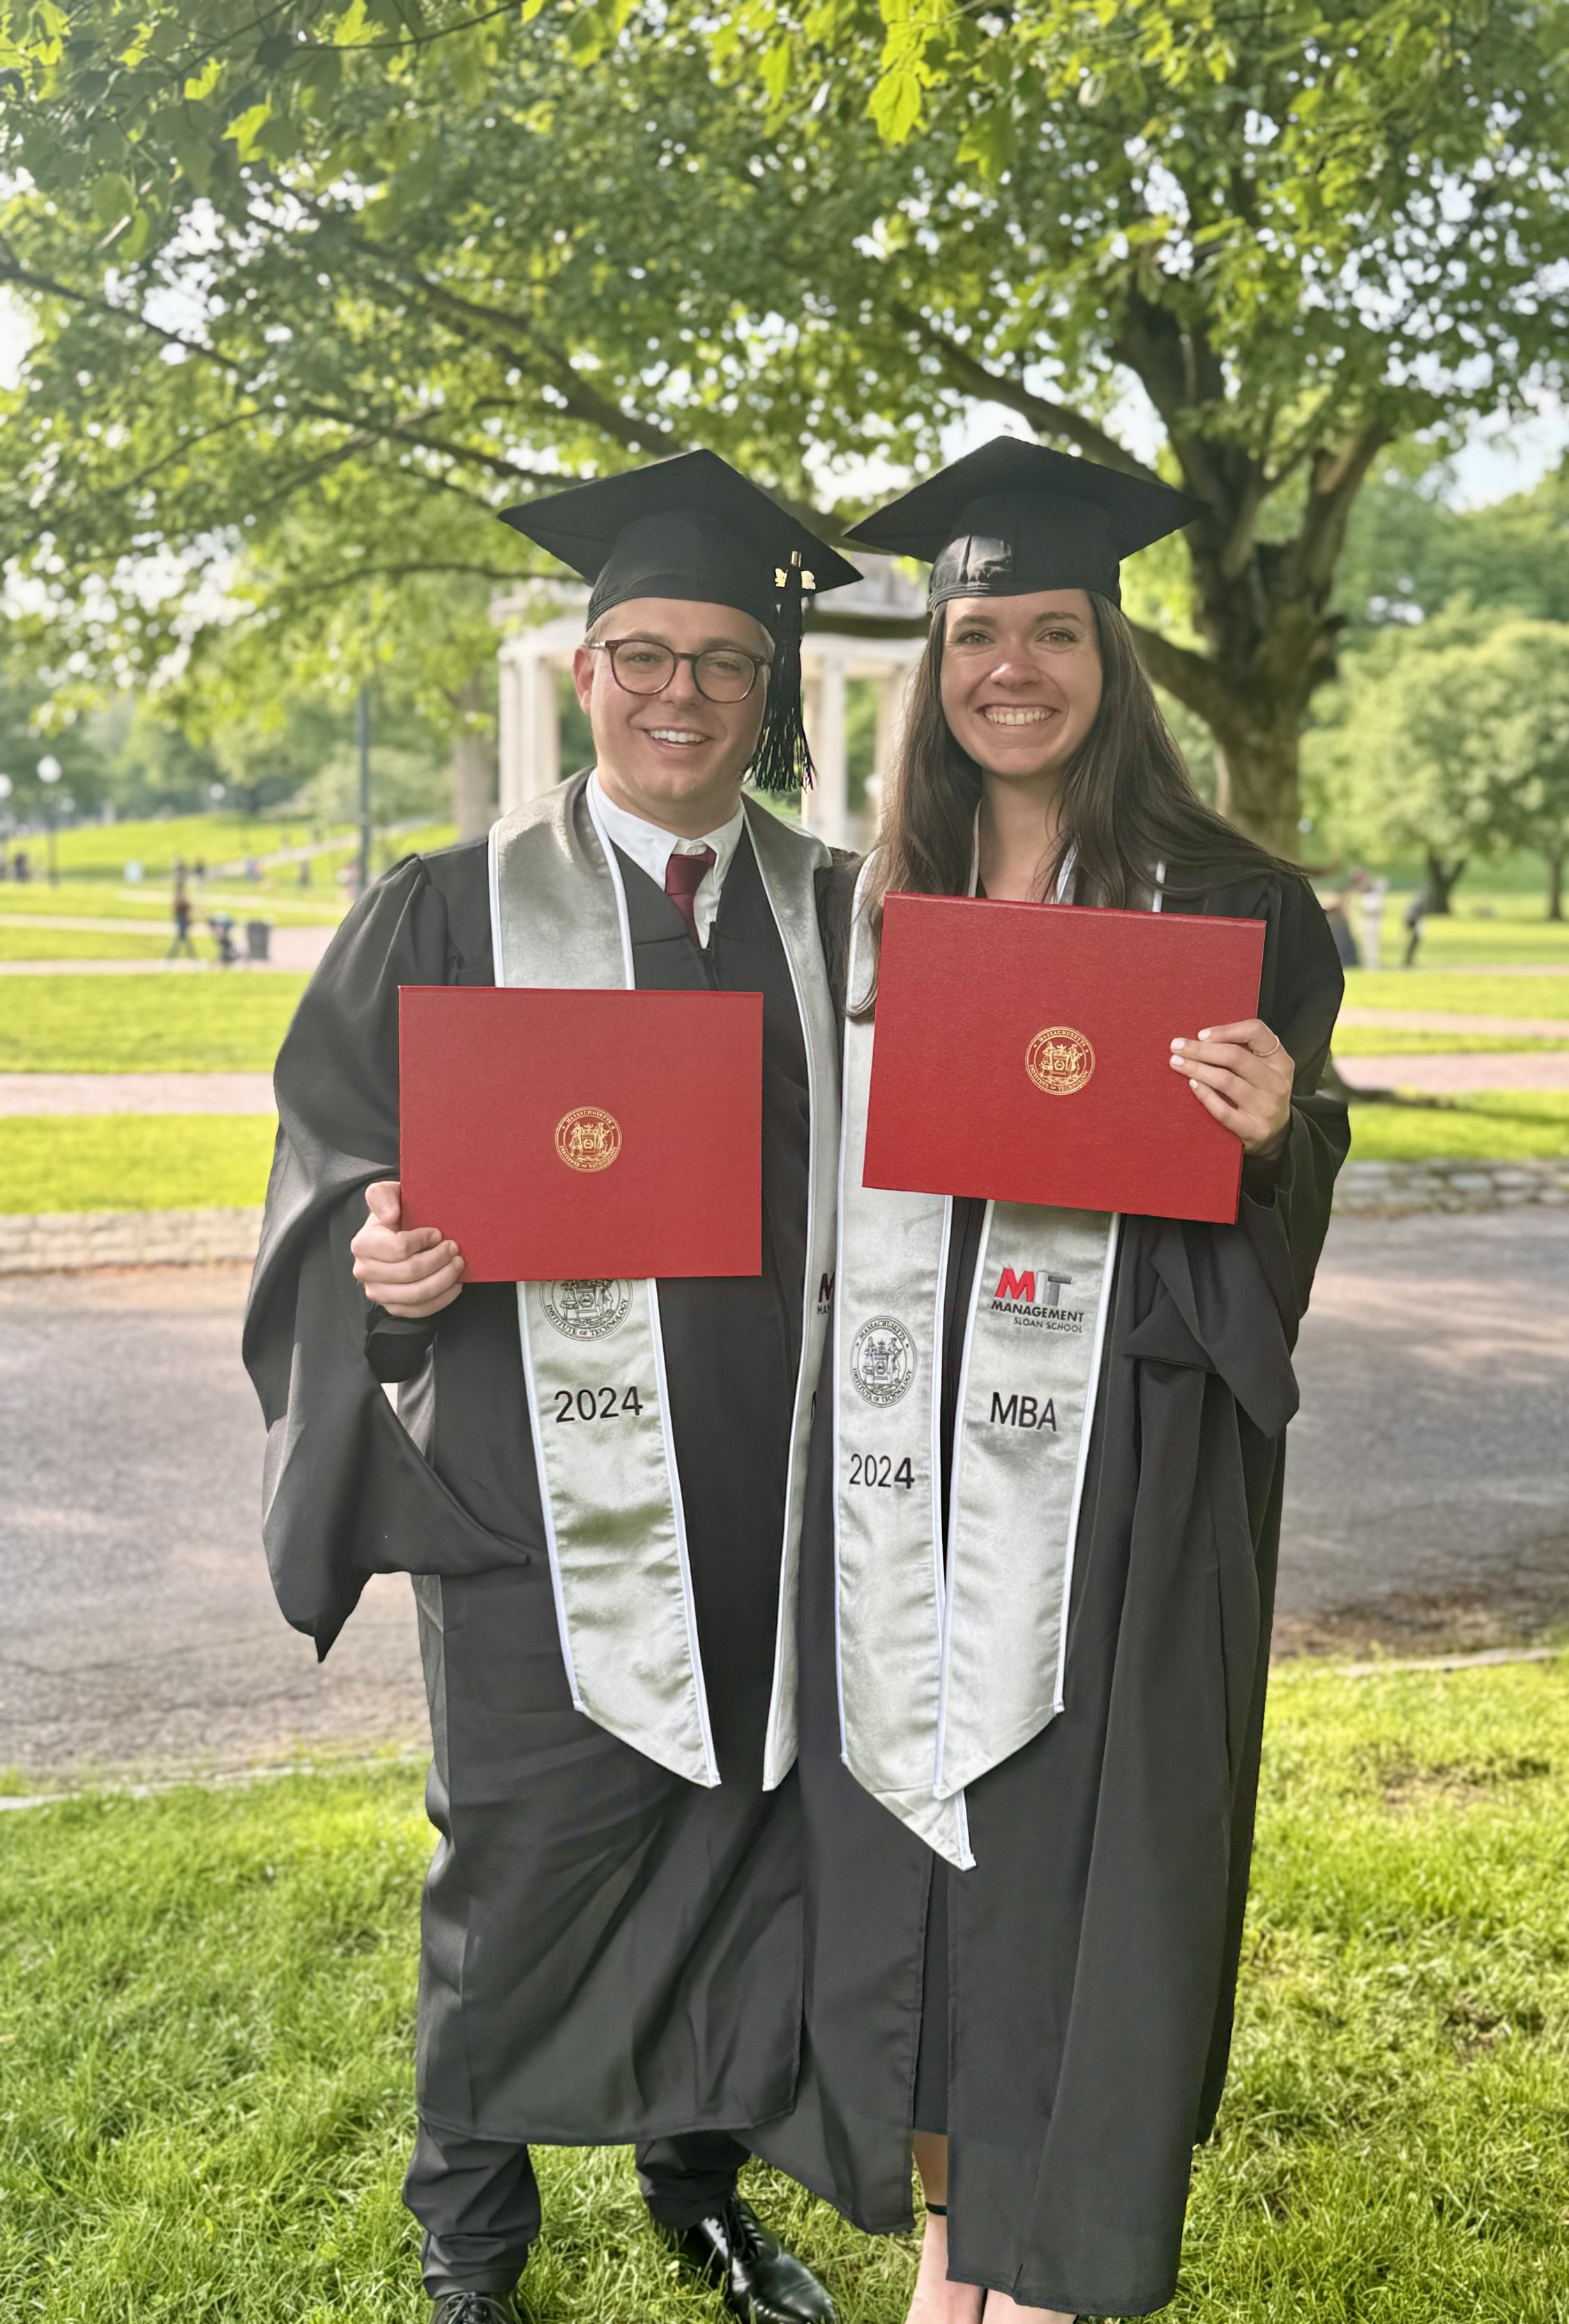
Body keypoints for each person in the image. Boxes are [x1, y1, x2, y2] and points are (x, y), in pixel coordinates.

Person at [243, 450, 863, 2324]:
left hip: (781, 1490)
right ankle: (474, 2255)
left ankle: (701, 2192)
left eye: (724, 662)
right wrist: (382, 1256)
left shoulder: (845, 917)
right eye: (644, 654)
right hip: (540, 1501)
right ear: (586, 674)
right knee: (513, 1868)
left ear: (771, 695)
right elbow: (336, 1154)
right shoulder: (446, 906)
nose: (681, 693)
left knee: (755, 1859)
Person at [751, 439, 1349, 2324]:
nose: (1011, 663)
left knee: (1072, 1863)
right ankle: (949, 2243)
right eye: (976, 631)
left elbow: (1277, 1193)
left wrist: (1269, 1137)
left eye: (1053, 629)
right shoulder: (862, 903)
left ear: (1113, 655)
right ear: (933, 663)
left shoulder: (1234, 900)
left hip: (1117, 1476)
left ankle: (1052, 2259)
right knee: (918, 1857)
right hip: (890, 1470)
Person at [166, 888, 195, 959]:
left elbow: (191, 908)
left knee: (180, 943)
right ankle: (193, 958)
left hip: (183, 923)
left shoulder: (181, 903)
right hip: (182, 923)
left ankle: (170, 958)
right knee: (182, 943)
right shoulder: (180, 903)